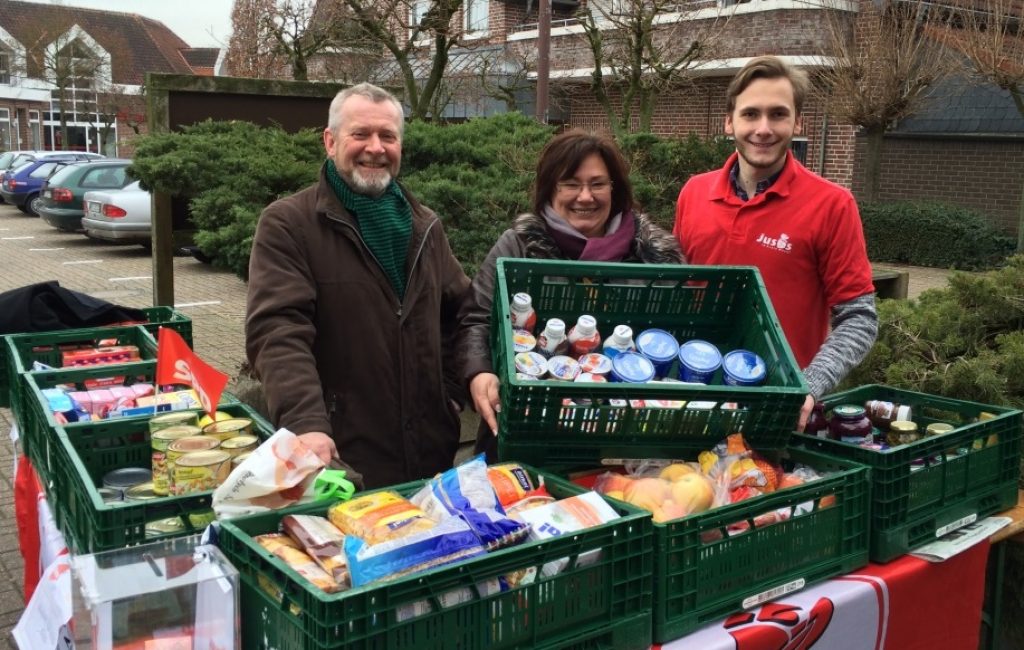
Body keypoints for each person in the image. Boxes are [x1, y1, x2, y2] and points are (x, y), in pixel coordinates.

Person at [246, 83, 470, 489]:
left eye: (388, 136)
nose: (376, 147)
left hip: (430, 453)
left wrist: (450, 395)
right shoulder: (288, 224)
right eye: (360, 134)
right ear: (330, 142)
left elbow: (463, 313)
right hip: (341, 457)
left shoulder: (426, 226)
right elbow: (277, 332)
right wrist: (306, 422)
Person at [673, 56, 878, 429]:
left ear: (798, 122)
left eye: (778, 114)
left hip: (780, 413)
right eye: (750, 114)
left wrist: (808, 387)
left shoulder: (832, 204)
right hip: (696, 401)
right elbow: (681, 296)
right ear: (729, 121)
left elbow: (859, 319)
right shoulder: (694, 193)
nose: (763, 129)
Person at [458, 130, 685, 460]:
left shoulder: (653, 256)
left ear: (615, 189)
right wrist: (480, 372)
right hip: (526, 428)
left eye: (597, 184)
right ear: (550, 189)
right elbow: (478, 317)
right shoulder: (519, 246)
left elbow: (673, 334)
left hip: (624, 439)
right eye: (570, 183)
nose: (585, 196)